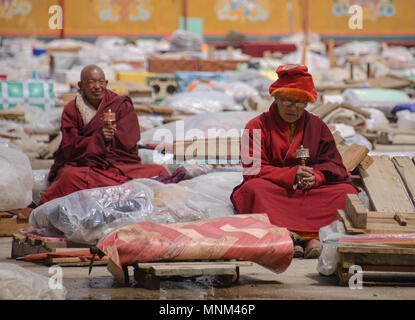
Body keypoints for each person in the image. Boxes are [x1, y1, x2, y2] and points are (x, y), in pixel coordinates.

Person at [230, 64, 358, 259]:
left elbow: (334, 165)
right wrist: (291, 174)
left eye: (300, 103)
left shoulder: (317, 125)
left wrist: (317, 176)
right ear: (276, 99)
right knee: (254, 189)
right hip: (276, 188)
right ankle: (297, 238)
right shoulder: (256, 125)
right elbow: (252, 169)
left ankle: (304, 238)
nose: (294, 108)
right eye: (288, 101)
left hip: (310, 190)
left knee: (346, 192)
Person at [39, 65, 169, 205]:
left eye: (101, 82)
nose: (97, 86)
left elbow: (129, 142)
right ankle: (121, 191)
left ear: (106, 83)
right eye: (91, 82)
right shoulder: (72, 110)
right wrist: (98, 140)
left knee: (160, 171)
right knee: (69, 175)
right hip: (87, 167)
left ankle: (113, 190)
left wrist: (112, 138)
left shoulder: (120, 105)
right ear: (80, 85)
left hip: (120, 167)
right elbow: (69, 146)